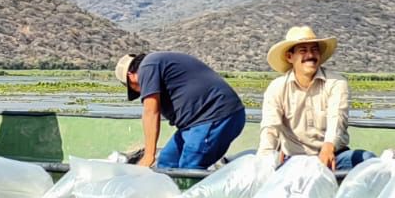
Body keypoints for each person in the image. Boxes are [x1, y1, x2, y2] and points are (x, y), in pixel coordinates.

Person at [256, 25, 372, 171]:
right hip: (293, 159)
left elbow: (337, 119)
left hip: (332, 156)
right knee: (252, 159)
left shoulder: (336, 83)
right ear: (289, 57)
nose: (310, 55)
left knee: (368, 159)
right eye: (303, 50)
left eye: (314, 50)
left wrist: (328, 147)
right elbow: (270, 128)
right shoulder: (277, 87)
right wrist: (265, 161)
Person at [117, 51, 246, 170]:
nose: (140, 91)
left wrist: (148, 156)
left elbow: (151, 112)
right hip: (194, 124)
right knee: (167, 163)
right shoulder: (157, 64)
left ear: (130, 76)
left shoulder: (147, 66)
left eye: (134, 88)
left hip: (215, 116)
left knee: (190, 166)